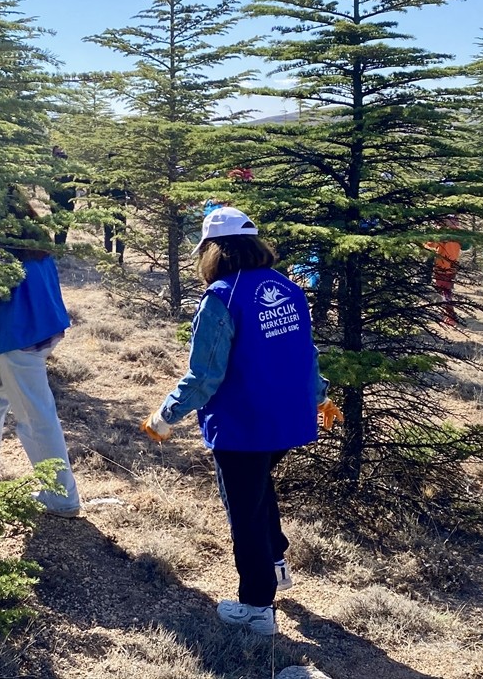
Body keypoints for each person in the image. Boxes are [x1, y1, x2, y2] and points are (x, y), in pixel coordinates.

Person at [141, 207, 336, 637]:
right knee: (258, 487)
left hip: (243, 423)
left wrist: (165, 416)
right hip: (287, 419)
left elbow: (204, 375)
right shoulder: (288, 287)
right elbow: (306, 355)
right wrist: (320, 397)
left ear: (213, 251)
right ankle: (277, 564)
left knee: (243, 510)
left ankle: (256, 606)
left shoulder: (221, 297)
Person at [0, 181, 82, 518]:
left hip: (18, 334)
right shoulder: (28, 227)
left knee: (34, 416)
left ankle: (62, 497)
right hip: (41, 325)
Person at [425, 216, 463, 326]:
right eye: (454, 219)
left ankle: (450, 317)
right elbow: (465, 246)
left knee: (444, 291)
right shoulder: (460, 233)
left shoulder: (441, 233)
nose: (456, 221)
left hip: (441, 266)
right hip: (453, 265)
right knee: (446, 290)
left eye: (456, 219)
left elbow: (429, 246)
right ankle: (448, 314)